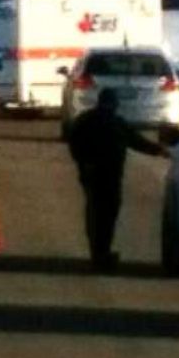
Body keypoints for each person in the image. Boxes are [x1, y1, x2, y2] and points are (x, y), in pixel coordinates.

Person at [65, 88, 168, 271]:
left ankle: (99, 253)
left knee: (96, 213)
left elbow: (73, 143)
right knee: (106, 215)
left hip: (94, 174)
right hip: (107, 175)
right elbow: (137, 141)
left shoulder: (86, 121)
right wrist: (159, 150)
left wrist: (83, 163)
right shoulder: (114, 123)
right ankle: (101, 253)